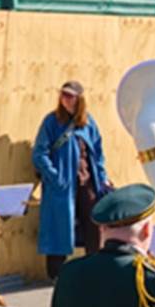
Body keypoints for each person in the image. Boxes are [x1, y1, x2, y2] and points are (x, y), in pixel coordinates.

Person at [32, 81, 110, 279]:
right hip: (62, 186)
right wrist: (54, 177)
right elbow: (39, 153)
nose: (64, 99)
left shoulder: (88, 122)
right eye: (63, 95)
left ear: (79, 99)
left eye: (70, 96)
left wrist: (102, 178)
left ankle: (95, 270)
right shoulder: (51, 121)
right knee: (58, 229)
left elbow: (98, 153)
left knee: (93, 227)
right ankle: (56, 275)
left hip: (87, 182)